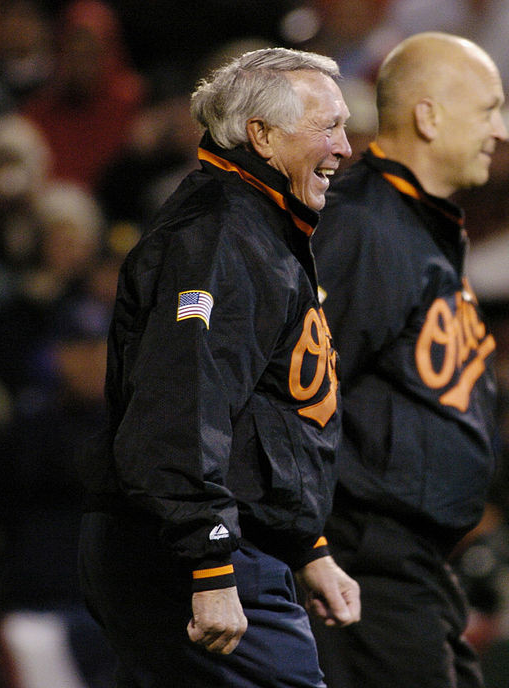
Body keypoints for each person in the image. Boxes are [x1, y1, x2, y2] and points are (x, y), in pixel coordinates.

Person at [77, 46, 360, 687]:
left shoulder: (258, 224)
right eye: (328, 127)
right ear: (260, 135)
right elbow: (181, 406)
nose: (345, 147)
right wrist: (209, 565)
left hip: (200, 542)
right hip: (191, 550)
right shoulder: (220, 235)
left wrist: (307, 549)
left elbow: (261, 410)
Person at [310, 32, 507, 688]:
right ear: (428, 116)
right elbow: (291, 389)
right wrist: (310, 549)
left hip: (412, 566)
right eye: (488, 109)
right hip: (362, 562)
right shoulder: (364, 227)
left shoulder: (417, 224)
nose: (501, 130)